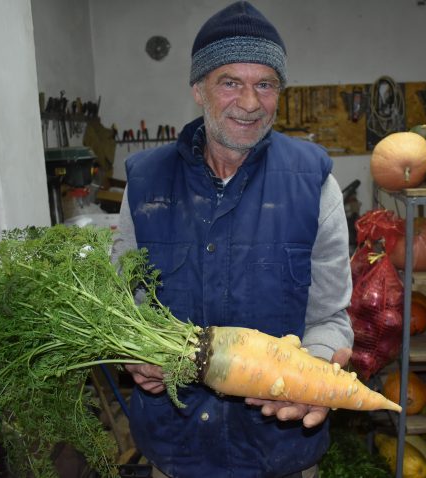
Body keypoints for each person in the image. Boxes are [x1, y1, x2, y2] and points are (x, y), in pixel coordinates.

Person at [113, 2, 354, 477]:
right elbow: (125, 304)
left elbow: (330, 318)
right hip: (176, 449)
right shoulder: (145, 184)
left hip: (279, 451)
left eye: (264, 84)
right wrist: (133, 353)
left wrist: (316, 370)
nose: (249, 103)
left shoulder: (314, 184)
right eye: (230, 82)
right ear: (197, 90)